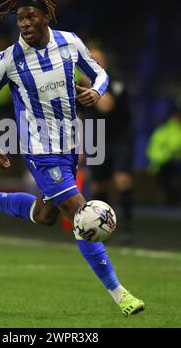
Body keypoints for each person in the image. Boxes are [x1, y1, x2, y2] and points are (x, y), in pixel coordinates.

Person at [0, 0, 144, 316]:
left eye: (30, 17)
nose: (24, 24)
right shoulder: (9, 58)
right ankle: (120, 294)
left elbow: (101, 73)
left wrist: (97, 91)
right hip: (39, 151)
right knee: (82, 214)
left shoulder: (70, 43)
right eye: (20, 19)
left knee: (45, 216)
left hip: (70, 145)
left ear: (45, 17)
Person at [76, 44, 135, 243]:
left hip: (120, 137)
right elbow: (79, 116)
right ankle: (104, 229)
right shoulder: (80, 84)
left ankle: (127, 227)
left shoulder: (115, 80)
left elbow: (107, 106)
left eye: (97, 59)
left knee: (122, 179)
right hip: (97, 138)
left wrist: (93, 85)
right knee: (99, 185)